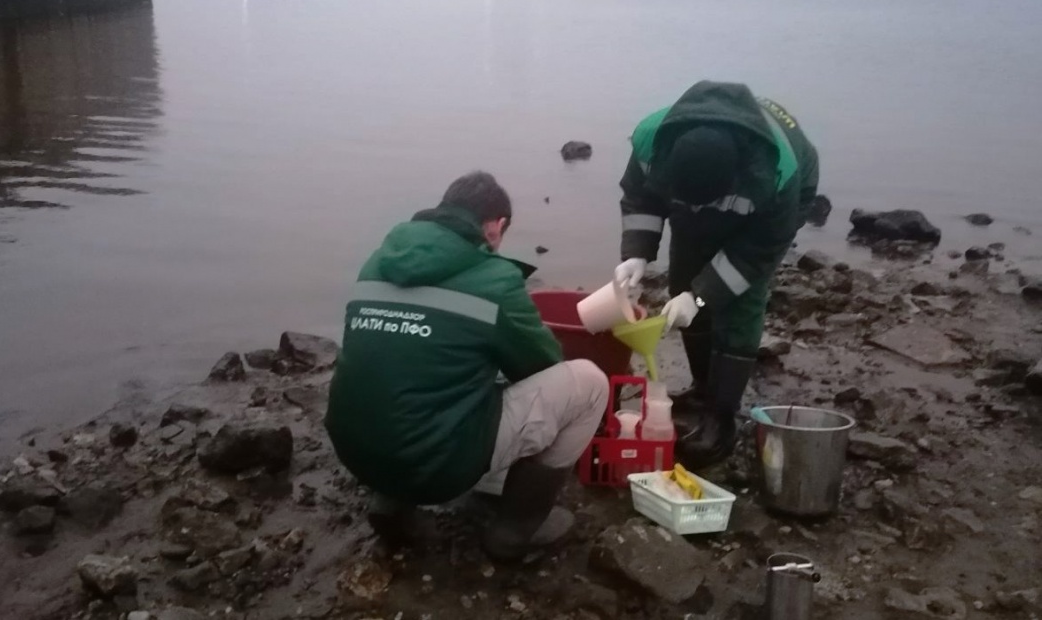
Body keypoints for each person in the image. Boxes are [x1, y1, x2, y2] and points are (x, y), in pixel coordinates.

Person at [325, 171, 608, 560]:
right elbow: (544, 367)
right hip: (437, 468)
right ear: (495, 227)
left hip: (354, 451)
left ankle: (390, 501)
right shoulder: (495, 278)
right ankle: (515, 532)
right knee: (590, 384)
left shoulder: (378, 262)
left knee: (403, 372)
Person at [615, 81, 819, 469]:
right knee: (683, 283)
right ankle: (703, 387)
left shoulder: (775, 173)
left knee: (739, 299)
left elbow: (756, 253)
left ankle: (722, 417)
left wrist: (702, 295)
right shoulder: (651, 141)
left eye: (701, 205)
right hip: (715, 186)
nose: (691, 213)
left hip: (780, 197)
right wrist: (637, 254)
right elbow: (640, 196)